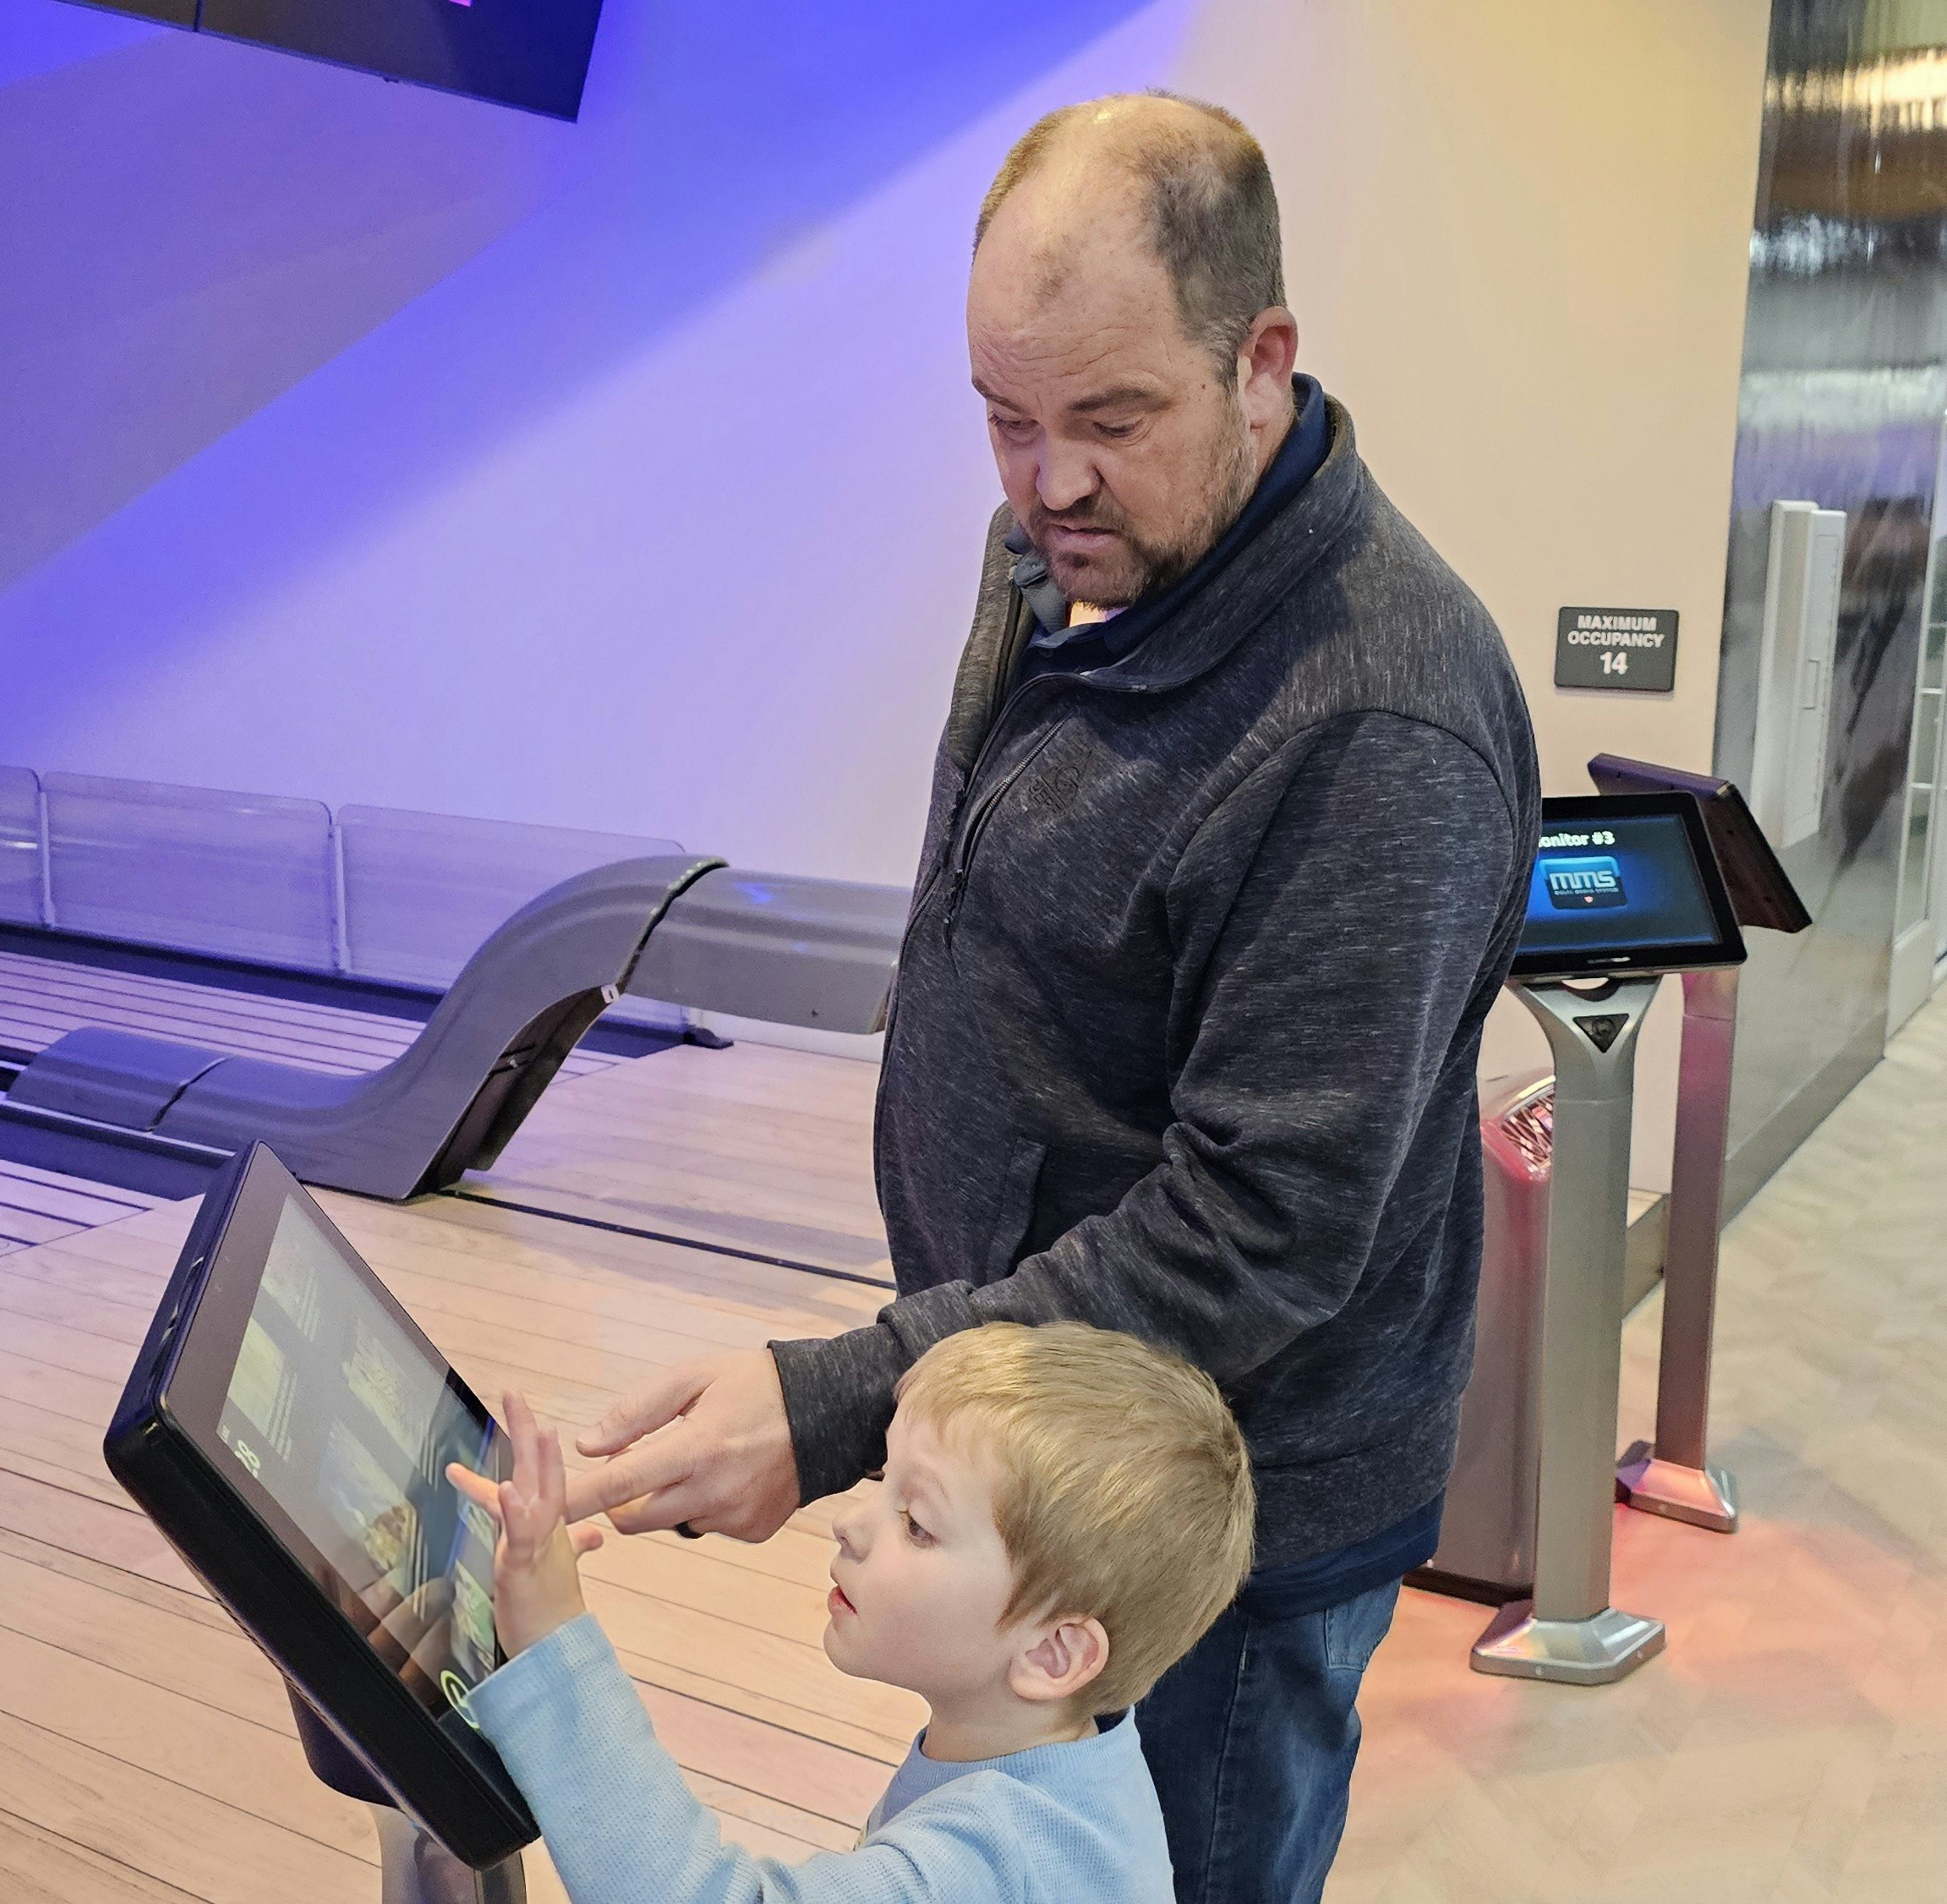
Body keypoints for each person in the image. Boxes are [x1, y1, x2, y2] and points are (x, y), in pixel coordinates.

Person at [562, 91, 1538, 1904]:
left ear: (1261, 363)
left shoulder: (1372, 728)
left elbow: (1249, 1236)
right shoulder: (1069, 551)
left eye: (1109, 419)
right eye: (1004, 422)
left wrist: (848, 1401)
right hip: (1024, 1442)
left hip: (1205, 1524)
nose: (1048, 482)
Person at [449, 1323, 1257, 1904]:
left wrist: (551, 1641)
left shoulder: (994, 1861)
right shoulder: (1074, 1768)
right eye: (883, 1483)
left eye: (918, 1523)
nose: (851, 1522)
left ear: (1053, 1655)